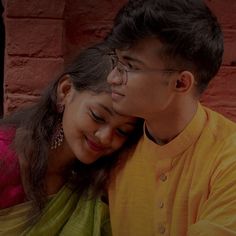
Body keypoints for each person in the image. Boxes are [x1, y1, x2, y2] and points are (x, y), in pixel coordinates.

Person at [105, 0, 236, 235]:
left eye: (130, 66)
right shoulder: (113, 147)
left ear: (180, 82)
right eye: (116, 62)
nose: (112, 78)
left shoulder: (229, 157)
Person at [0, 43, 143, 235]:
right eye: (97, 117)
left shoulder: (97, 179)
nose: (105, 137)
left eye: (122, 131)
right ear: (66, 90)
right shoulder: (5, 156)